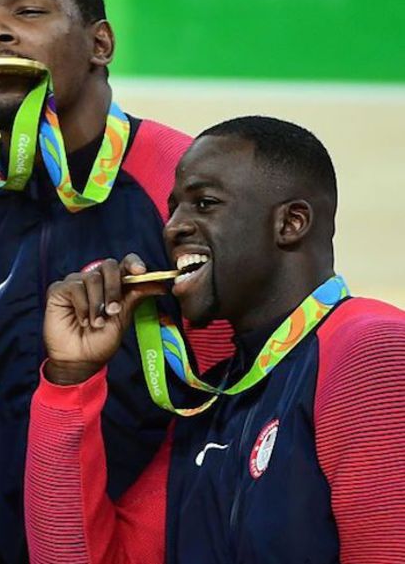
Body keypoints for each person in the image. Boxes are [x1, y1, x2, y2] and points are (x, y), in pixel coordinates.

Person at [0, 0, 232, 564]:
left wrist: (121, 541)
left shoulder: (183, 182)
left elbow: (234, 392)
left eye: (27, 10)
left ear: (101, 44)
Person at [26, 116, 405, 563]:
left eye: (204, 203)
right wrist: (72, 379)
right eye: (173, 209)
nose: (173, 228)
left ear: (292, 222)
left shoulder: (372, 349)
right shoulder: (212, 401)